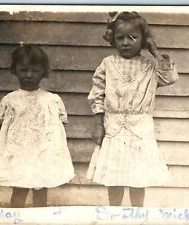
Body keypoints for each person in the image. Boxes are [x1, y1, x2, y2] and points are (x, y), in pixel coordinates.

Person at [87, 11, 178, 207]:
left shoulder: (150, 66)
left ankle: (137, 214)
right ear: (113, 39)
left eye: (133, 37)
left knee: (138, 176)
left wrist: (154, 52)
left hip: (140, 128)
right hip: (114, 125)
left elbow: (170, 78)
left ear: (143, 40)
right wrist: (97, 124)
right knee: (115, 175)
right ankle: (114, 214)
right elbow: (97, 93)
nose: (126, 42)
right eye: (120, 38)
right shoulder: (108, 64)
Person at [0, 45, 75, 207]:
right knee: (19, 189)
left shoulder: (51, 100)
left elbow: (61, 124)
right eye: (24, 70)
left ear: (43, 72)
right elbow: (0, 125)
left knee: (40, 190)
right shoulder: (10, 100)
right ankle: (15, 220)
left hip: (42, 153)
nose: (29, 75)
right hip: (20, 153)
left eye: (35, 71)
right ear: (15, 70)